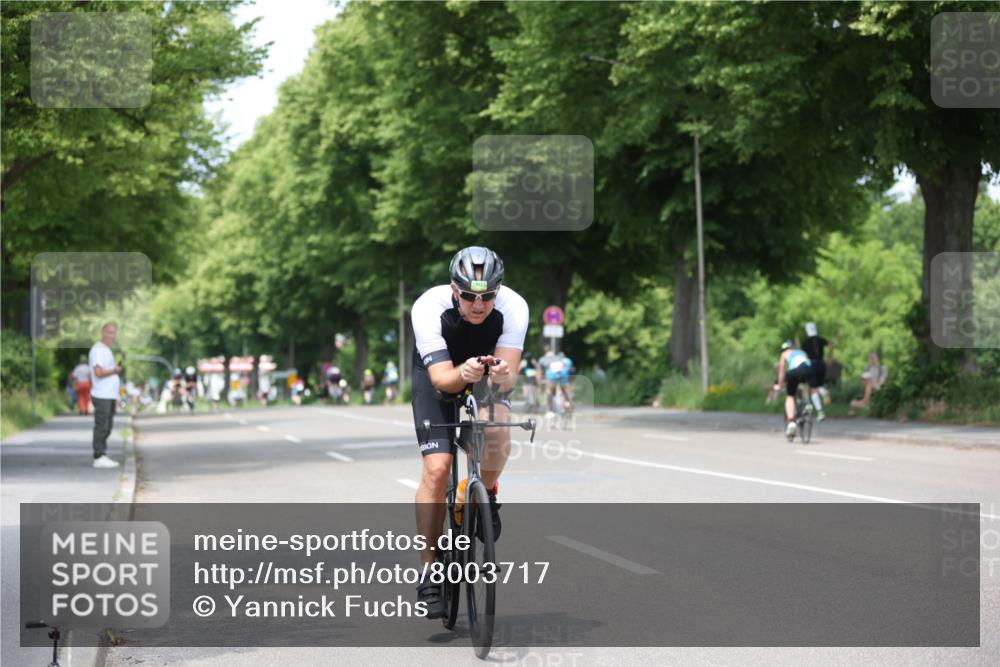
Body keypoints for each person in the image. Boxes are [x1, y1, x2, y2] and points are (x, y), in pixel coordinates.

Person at [409, 246, 527, 619]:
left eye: (488, 296)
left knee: (498, 429)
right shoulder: (428, 307)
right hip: (440, 375)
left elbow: (508, 373)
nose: (479, 305)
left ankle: (485, 492)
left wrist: (503, 375)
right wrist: (463, 373)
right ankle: (429, 568)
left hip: (484, 377)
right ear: (453, 289)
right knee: (437, 467)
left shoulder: (514, 307)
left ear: (498, 291)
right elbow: (443, 379)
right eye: (470, 296)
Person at [88, 322, 122, 468]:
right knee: (102, 426)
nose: (111, 336)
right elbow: (98, 372)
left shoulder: (106, 350)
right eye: (109, 332)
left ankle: (102, 454)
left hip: (109, 395)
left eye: (114, 332)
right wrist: (114, 370)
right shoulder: (99, 350)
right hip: (102, 394)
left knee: (107, 426)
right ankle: (98, 456)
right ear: (102, 333)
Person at [773, 340, 813, 439]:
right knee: (805, 383)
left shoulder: (784, 353)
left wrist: (780, 384)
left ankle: (791, 422)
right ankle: (806, 403)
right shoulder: (802, 352)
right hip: (809, 370)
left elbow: (781, 372)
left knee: (790, 396)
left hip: (794, 372)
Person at [801, 322, 830, 421]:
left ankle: (820, 412)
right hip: (822, 364)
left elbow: (803, 354)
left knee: (813, 389)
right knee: (819, 386)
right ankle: (823, 391)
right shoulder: (820, 339)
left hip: (812, 365)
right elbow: (830, 344)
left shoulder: (806, 342)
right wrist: (830, 357)